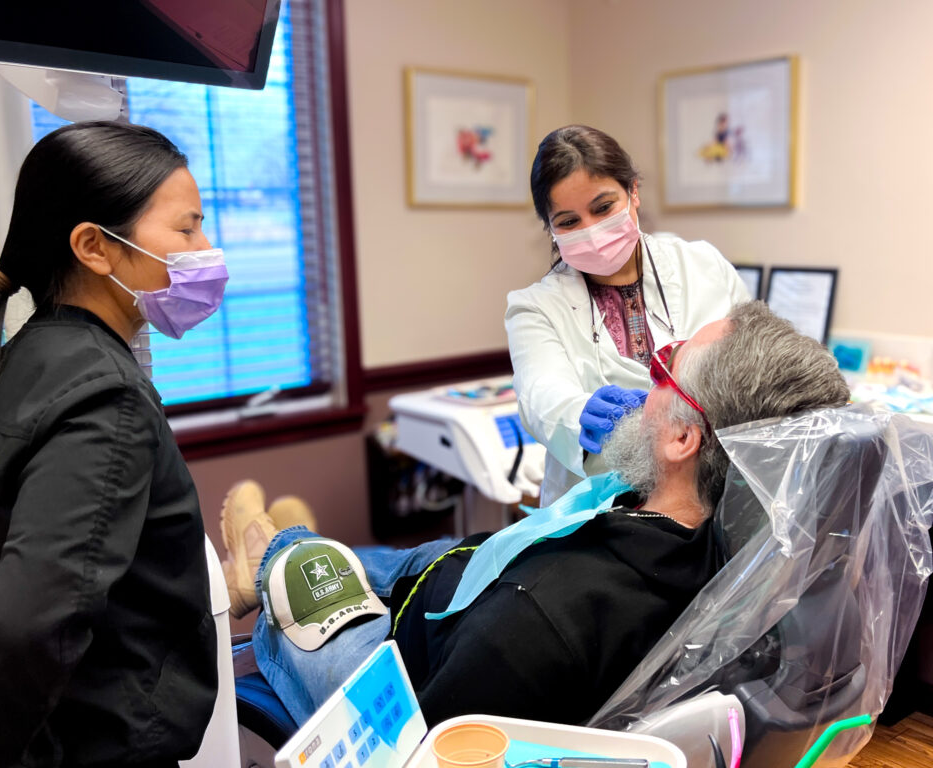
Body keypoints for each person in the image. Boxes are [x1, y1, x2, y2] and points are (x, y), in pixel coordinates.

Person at [222, 302, 850, 727]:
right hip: (465, 575)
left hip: (412, 654)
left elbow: (433, 747)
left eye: (664, 368)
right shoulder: (731, 556)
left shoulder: (536, 618)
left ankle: (274, 547)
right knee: (410, 556)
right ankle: (297, 545)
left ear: (683, 440)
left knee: (304, 566)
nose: (645, 381)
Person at [0, 122, 227, 768]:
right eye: (187, 229)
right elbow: (33, 619)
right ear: (94, 246)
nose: (206, 249)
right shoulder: (105, 398)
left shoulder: (30, 357)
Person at [506, 125, 751, 504]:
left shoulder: (703, 265)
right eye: (569, 222)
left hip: (712, 495)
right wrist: (579, 413)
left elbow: (753, 358)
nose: (591, 231)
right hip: (598, 509)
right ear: (550, 229)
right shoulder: (534, 307)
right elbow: (542, 394)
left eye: (604, 208)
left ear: (633, 191)